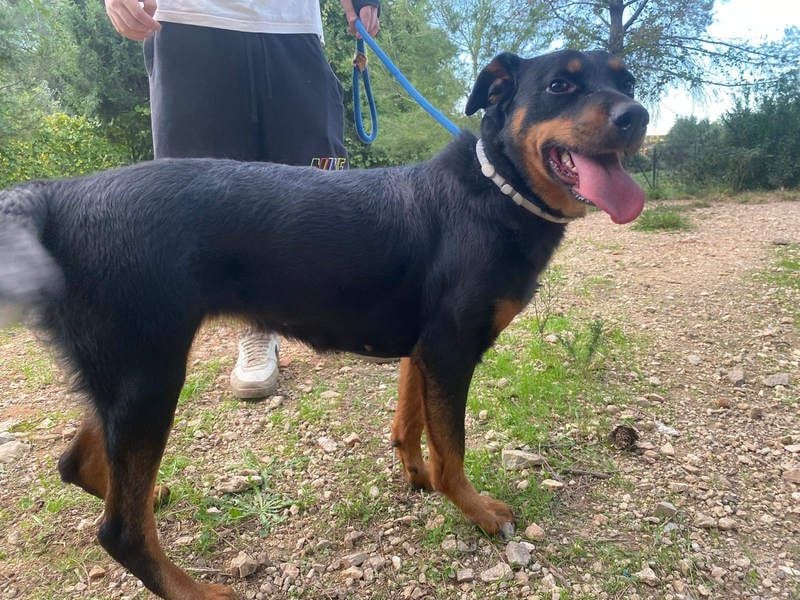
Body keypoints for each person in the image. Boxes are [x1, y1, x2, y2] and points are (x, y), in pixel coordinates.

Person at [104, 0, 380, 399]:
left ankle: (350, 311)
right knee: (196, 196)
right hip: (191, 20)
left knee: (325, 183)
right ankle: (257, 327)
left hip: (293, 26)